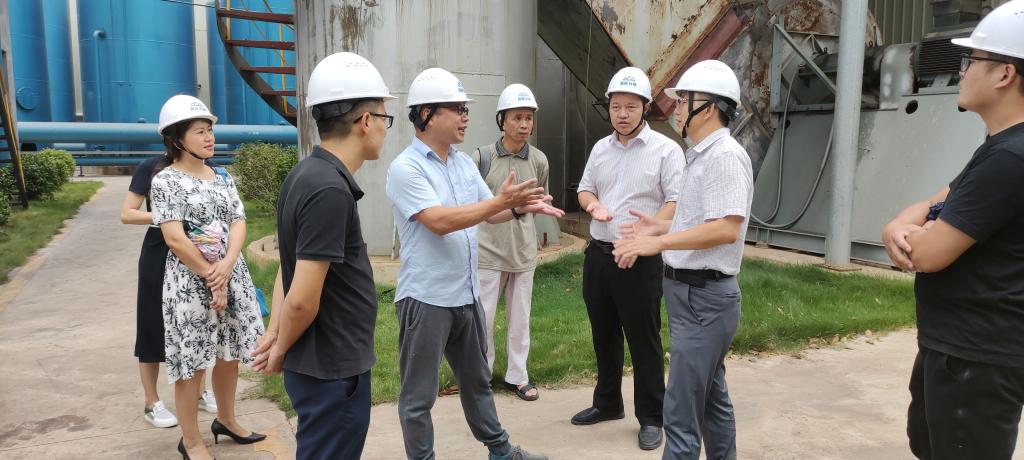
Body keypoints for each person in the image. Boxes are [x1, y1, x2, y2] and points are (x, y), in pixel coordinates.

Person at [385, 67, 562, 460]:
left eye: (466, 109)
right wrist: (500, 202)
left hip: (464, 296)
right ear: (427, 114)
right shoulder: (406, 168)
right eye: (457, 109)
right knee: (419, 397)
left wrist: (517, 207)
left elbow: (489, 212)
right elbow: (438, 221)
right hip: (426, 299)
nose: (465, 117)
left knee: (478, 381)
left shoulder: (463, 163)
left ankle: (501, 452)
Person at [881, 1, 1024, 458]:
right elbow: (934, 202)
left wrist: (917, 230)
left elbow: (928, 254)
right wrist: (901, 224)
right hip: (960, 350)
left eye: (971, 61)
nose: (962, 71)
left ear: (1005, 74)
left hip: (977, 358)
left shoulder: (1010, 157)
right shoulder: (1000, 147)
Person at [249, 52, 393, 460]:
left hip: (322, 366)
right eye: (385, 118)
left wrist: (276, 331)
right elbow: (301, 299)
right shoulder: (329, 189)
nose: (385, 128)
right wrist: (279, 348)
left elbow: (289, 268)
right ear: (366, 121)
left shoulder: (305, 174)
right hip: (333, 371)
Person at [614, 59, 752, 460]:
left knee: (680, 412)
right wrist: (660, 228)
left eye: (683, 100)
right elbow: (700, 219)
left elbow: (726, 227)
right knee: (711, 398)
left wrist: (659, 244)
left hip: (704, 299)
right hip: (693, 297)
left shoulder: (724, 156)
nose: (675, 108)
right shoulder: (701, 155)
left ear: (707, 108)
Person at [572, 66, 684, 451]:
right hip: (599, 255)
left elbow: (676, 201)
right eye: (616, 106)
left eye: (631, 107)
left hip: (639, 258)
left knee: (643, 338)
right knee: (603, 333)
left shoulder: (666, 150)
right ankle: (607, 403)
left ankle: (652, 416)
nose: (622, 114)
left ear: (646, 108)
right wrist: (594, 205)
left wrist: (648, 232)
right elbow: (585, 189)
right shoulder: (601, 149)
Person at [150, 95, 266, 460]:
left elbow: (239, 221)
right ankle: (191, 440)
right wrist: (211, 276)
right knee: (193, 361)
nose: (209, 137)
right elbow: (174, 237)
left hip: (229, 273)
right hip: (190, 283)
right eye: (200, 131)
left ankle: (227, 420)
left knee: (230, 352)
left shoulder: (223, 176)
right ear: (176, 138)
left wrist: (227, 265)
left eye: (210, 130)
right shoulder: (166, 180)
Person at [121, 157, 220, 429]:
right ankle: (151, 402)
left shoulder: (208, 168)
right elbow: (127, 213)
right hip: (160, 248)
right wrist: (169, 217)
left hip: (198, 246)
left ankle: (199, 391)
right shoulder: (151, 167)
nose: (207, 138)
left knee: (198, 322)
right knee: (152, 322)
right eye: (197, 134)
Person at [469, 83, 549, 402]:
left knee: (520, 320)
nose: (524, 125)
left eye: (529, 118)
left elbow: (539, 202)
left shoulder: (539, 160)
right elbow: (474, 206)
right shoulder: (482, 158)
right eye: (517, 117)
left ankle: (518, 376)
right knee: (483, 319)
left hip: (523, 253)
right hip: (488, 253)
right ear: (502, 120)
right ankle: (481, 377)